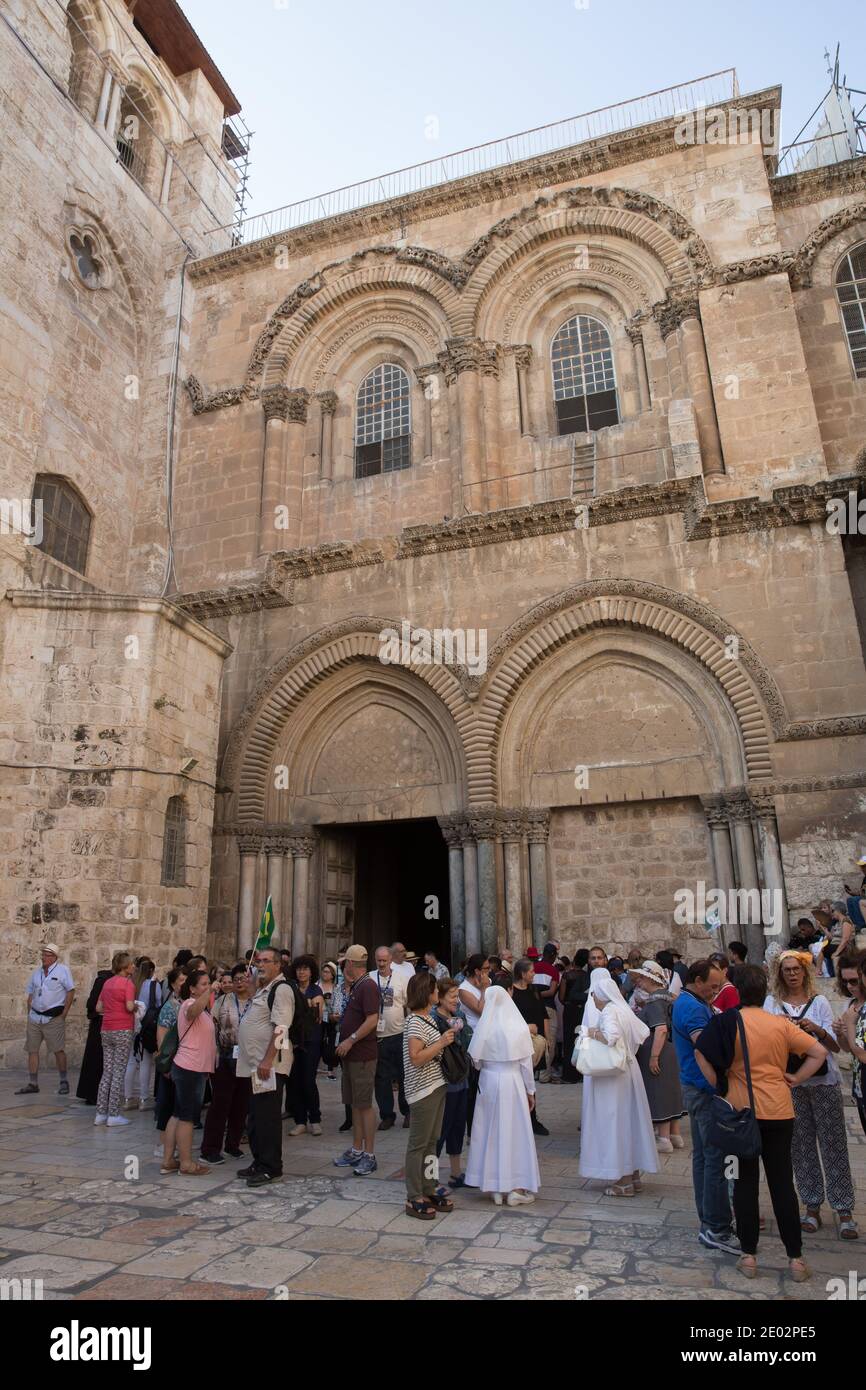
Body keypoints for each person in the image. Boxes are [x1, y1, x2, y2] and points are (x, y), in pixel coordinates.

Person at [696, 964, 827, 1282]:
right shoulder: (780, 1025)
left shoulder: (727, 1022)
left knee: (743, 1183)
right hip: (779, 1111)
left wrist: (720, 1085)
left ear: (738, 991)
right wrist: (795, 1077)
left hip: (740, 1113)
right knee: (783, 1183)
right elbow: (819, 1051)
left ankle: (749, 1255)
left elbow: (701, 1052)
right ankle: (795, 1259)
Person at [763, 950, 857, 1240]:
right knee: (800, 1146)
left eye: (796, 969)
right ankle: (812, 1205)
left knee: (833, 1143)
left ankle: (843, 1209)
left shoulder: (820, 1003)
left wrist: (816, 1029)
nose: (792, 974)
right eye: (786, 970)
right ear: (780, 974)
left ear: (805, 971)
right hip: (790, 1084)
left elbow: (834, 1047)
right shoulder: (772, 1004)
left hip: (823, 1082)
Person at [671, 957, 738, 1254]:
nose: (715, 992)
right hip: (704, 1089)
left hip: (695, 1087)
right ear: (697, 981)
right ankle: (717, 1226)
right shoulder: (694, 1009)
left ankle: (707, 1219)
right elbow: (707, 1048)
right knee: (714, 1159)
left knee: (703, 1158)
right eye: (712, 987)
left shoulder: (691, 1002)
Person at [578, 968, 658, 1195]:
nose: (592, 998)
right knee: (629, 1121)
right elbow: (641, 1034)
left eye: (594, 994)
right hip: (629, 1071)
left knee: (614, 1123)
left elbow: (611, 1037)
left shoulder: (609, 1012)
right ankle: (632, 1175)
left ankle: (622, 1181)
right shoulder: (623, 1010)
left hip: (612, 1076)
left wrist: (590, 1033)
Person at [465, 984, 540, 1206]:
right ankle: (516, 1187)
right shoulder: (517, 1027)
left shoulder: (483, 1027)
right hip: (513, 1081)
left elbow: (476, 1061)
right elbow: (526, 1064)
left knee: (490, 1131)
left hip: (489, 1080)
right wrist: (530, 1091)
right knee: (514, 1132)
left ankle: (494, 1186)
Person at [236, 947, 295, 1187]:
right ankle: (259, 1161)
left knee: (268, 1117)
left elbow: (281, 1028)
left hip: (268, 1065)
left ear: (278, 965)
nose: (260, 964)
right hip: (255, 1063)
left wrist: (268, 1060)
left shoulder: (281, 990)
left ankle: (271, 1167)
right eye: (259, 960)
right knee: (256, 1116)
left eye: (266, 961)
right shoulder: (264, 989)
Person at [402, 971, 455, 1219]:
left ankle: (429, 1187)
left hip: (436, 1086)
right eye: (434, 989)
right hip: (422, 1090)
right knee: (418, 1144)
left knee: (432, 1142)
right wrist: (442, 1043)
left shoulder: (429, 1019)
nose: (437, 993)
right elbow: (416, 1058)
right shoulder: (414, 1022)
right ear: (427, 992)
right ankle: (414, 1195)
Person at [159, 968, 215, 1176]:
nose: (207, 987)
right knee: (188, 1117)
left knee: (177, 1113)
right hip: (190, 1067)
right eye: (203, 984)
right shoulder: (190, 1004)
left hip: (192, 1067)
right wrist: (207, 994)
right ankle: (186, 1163)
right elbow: (192, 1013)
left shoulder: (202, 1008)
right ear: (191, 988)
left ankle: (168, 1160)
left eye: (208, 983)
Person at [333, 944, 380, 1175]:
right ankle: (356, 1148)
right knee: (354, 1103)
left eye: (344, 964)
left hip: (362, 1055)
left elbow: (372, 1019)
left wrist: (350, 1039)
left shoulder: (368, 986)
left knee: (364, 1104)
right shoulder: (358, 986)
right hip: (351, 1056)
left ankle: (369, 1154)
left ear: (350, 964)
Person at [628, 960, 685, 1152]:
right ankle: (675, 1134)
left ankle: (664, 1139)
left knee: (659, 1092)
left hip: (659, 1050)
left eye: (641, 978)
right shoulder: (670, 997)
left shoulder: (654, 1000)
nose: (639, 982)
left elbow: (660, 1029)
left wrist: (653, 1057)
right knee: (671, 1091)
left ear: (649, 979)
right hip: (671, 1048)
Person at [200, 963, 253, 1164]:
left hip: (246, 1058)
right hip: (224, 1056)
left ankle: (233, 1144)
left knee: (241, 1104)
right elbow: (211, 1029)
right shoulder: (221, 1002)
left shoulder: (256, 1003)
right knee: (220, 1104)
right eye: (236, 979)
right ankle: (210, 1148)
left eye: (243, 978)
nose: (239, 982)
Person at [17, 944, 75, 1095]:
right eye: (43, 954)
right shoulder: (37, 973)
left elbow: (70, 990)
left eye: (47, 955)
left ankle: (63, 1081)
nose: (43, 957)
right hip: (35, 1017)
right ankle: (33, 1083)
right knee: (32, 1049)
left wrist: (65, 1013)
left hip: (54, 1017)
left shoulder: (63, 971)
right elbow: (30, 993)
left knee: (58, 1050)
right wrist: (30, 1011)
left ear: (54, 957)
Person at [434, 977, 470, 1187]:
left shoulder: (460, 1015)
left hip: (461, 1078)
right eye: (452, 996)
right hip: (443, 1081)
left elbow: (466, 1041)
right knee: (440, 1130)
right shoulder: (432, 1018)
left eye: (457, 996)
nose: (456, 1000)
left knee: (457, 1127)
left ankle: (456, 1173)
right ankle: (431, 1178)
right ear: (439, 997)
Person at [369, 946, 409, 1131]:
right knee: (382, 1078)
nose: (382, 963)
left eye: (385, 960)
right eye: (379, 960)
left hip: (399, 1033)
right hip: (378, 1036)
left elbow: (409, 1005)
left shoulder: (401, 979)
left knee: (404, 1075)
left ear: (391, 960)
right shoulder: (370, 978)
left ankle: (407, 1112)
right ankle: (387, 1115)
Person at [94, 951, 136, 1126]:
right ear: (125, 967)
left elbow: (98, 1008)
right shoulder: (128, 983)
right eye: (132, 964)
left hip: (106, 1029)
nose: (134, 966)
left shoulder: (107, 983)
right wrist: (136, 1008)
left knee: (107, 1072)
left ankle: (100, 1113)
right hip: (123, 1029)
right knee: (119, 1071)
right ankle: (113, 1115)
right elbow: (128, 1006)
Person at [511, 958, 551, 1135]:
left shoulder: (534, 990)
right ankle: (519, 1119)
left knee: (530, 1081)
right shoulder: (511, 993)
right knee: (518, 1081)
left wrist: (547, 1039)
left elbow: (543, 1015)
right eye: (531, 971)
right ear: (522, 974)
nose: (534, 973)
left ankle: (532, 1119)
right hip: (519, 1042)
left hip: (536, 1042)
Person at [287, 955, 324, 1136]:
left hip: (311, 1041)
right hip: (293, 1041)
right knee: (294, 1082)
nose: (301, 972)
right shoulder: (291, 988)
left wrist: (300, 1006)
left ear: (311, 972)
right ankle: (300, 1120)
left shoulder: (316, 990)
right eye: (299, 969)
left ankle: (315, 1119)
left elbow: (315, 1015)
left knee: (308, 1080)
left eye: (305, 969)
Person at [154, 966, 185, 1156]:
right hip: (172, 1063)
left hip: (184, 1062)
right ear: (173, 984)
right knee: (168, 1104)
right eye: (181, 981)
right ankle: (164, 1144)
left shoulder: (185, 1004)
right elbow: (162, 1036)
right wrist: (165, 1063)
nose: (184, 984)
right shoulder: (169, 1006)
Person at [458, 953, 490, 1135]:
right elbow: (481, 1010)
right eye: (485, 968)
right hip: (473, 1040)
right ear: (477, 970)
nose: (488, 972)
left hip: (488, 1038)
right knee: (474, 1085)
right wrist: (485, 989)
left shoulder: (488, 982)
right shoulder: (464, 989)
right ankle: (472, 1129)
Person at [124, 957, 158, 1110]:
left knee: (131, 1061)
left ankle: (128, 1098)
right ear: (151, 971)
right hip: (146, 1026)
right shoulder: (153, 985)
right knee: (145, 1062)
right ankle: (144, 1099)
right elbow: (157, 1004)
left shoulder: (131, 983)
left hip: (132, 1024)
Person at [75, 965, 112, 1105]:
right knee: (96, 1059)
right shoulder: (104, 981)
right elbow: (92, 1004)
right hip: (99, 1024)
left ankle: (95, 1093)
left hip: (103, 1024)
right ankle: (92, 1094)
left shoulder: (105, 980)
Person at [559, 948, 590, 1084]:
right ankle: (583, 1072)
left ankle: (569, 1074)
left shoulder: (567, 975)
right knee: (583, 1039)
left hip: (570, 1010)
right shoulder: (586, 976)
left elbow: (561, 996)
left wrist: (568, 1003)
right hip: (583, 1010)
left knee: (569, 1040)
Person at [319, 961, 338, 1079]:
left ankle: (330, 1070)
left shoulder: (336, 988)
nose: (325, 974)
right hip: (319, 1017)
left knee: (331, 1043)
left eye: (327, 972)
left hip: (331, 1018)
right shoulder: (317, 985)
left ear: (332, 974)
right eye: (324, 971)